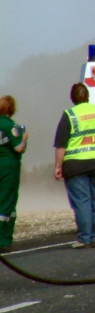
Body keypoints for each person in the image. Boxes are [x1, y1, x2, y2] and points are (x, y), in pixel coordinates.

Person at [54, 83, 95, 249]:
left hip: (76, 165)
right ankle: (94, 237)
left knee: (82, 202)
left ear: (72, 98)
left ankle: (84, 238)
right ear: (88, 96)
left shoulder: (69, 115)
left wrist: (58, 166)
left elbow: (61, 145)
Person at [0, 96, 28, 252]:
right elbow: (18, 148)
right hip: (8, 168)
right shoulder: (12, 127)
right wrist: (24, 139)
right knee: (7, 202)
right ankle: (4, 239)